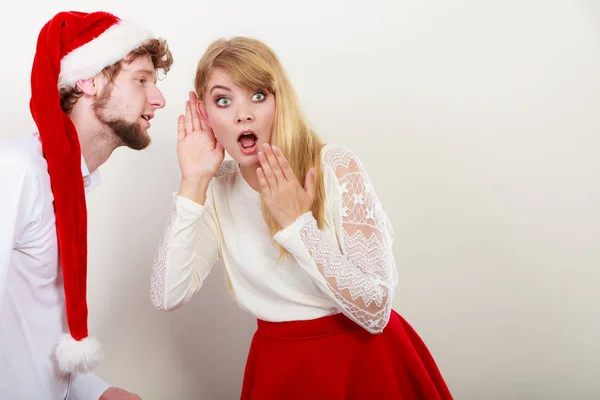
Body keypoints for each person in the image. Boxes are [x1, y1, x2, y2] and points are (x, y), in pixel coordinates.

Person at [151, 37, 452, 399]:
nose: (243, 114)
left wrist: (298, 227)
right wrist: (193, 182)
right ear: (206, 114)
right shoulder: (215, 188)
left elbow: (377, 309)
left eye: (258, 95)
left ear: (281, 101)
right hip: (280, 366)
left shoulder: (335, 167)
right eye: (223, 100)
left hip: (365, 363)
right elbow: (167, 294)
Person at [0, 10, 173, 399]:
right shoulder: (17, 172)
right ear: (90, 80)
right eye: (142, 80)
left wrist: (95, 391)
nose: (159, 99)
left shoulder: (72, 187)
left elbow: (34, 330)